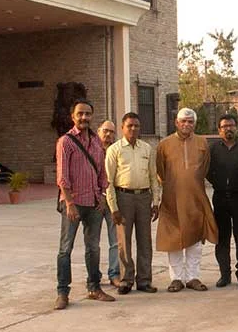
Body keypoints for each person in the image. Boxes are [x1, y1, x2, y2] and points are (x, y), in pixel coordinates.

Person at [54, 99, 116, 310]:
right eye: (80, 114)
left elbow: (102, 172)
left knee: (93, 248)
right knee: (65, 248)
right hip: (73, 203)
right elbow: (62, 176)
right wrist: (69, 203)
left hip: (94, 203)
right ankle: (63, 292)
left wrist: (102, 196)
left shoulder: (97, 142)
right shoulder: (66, 142)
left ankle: (94, 287)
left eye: (88, 114)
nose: (84, 118)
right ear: (73, 116)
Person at [156, 108, 218, 292]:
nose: (186, 124)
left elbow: (204, 168)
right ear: (176, 122)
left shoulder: (202, 143)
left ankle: (193, 277)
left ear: (194, 124)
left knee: (195, 239)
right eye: (183, 121)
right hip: (171, 198)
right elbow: (160, 170)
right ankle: (176, 278)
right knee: (173, 239)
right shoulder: (164, 144)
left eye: (190, 121)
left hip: (195, 198)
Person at [105, 113, 160, 295]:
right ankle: (126, 280)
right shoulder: (115, 150)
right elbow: (108, 182)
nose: (133, 129)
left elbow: (153, 177)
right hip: (124, 197)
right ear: (123, 128)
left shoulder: (147, 149)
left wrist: (156, 202)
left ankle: (144, 280)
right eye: (130, 126)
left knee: (145, 241)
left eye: (136, 126)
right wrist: (113, 208)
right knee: (124, 242)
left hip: (144, 197)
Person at [207, 114, 238, 288]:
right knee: (222, 238)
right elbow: (207, 171)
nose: (228, 129)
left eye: (231, 126)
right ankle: (224, 274)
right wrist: (218, 182)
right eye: (224, 126)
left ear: (237, 128)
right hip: (220, 198)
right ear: (219, 130)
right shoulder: (213, 149)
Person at [98, 120, 121, 287]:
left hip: (113, 201)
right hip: (95, 201)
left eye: (111, 132)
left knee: (115, 240)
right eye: (105, 131)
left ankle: (114, 274)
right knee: (93, 241)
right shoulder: (91, 150)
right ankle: (94, 276)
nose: (108, 135)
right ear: (99, 131)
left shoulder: (117, 151)